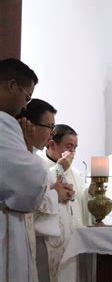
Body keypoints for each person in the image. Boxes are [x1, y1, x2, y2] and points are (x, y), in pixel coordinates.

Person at [0, 58, 48, 282]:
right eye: (26, 96)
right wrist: (28, 149)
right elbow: (28, 184)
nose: (25, 106)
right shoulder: (3, 122)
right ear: (11, 85)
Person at [18, 99, 74, 282]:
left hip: (59, 243)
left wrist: (65, 192)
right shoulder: (27, 159)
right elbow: (28, 198)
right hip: (40, 242)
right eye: (49, 127)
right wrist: (57, 194)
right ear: (30, 126)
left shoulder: (33, 158)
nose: (51, 134)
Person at [37, 124, 88, 282]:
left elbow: (80, 201)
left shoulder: (76, 173)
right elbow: (41, 193)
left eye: (75, 147)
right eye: (69, 146)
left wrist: (92, 192)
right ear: (51, 144)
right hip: (48, 244)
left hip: (72, 241)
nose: (72, 152)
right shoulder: (39, 166)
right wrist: (60, 168)